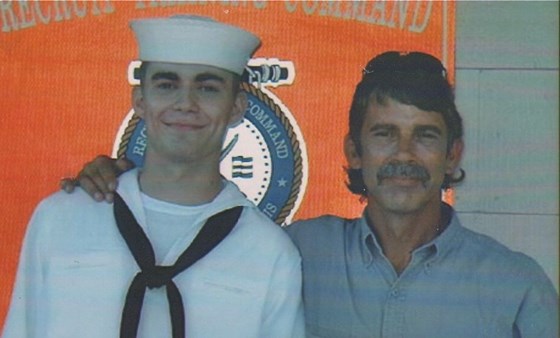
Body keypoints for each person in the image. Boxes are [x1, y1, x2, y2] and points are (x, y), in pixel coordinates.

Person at [58, 51, 558, 337]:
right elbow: (185, 232)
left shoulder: (514, 284)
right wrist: (121, 179)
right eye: (384, 134)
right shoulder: (294, 251)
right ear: (354, 151)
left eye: (425, 136)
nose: (404, 154)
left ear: (452, 155)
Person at [2, 15, 304, 338]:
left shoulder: (268, 253)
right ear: (140, 101)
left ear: (236, 108)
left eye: (208, 88)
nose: (186, 103)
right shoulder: (61, 220)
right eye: (167, 84)